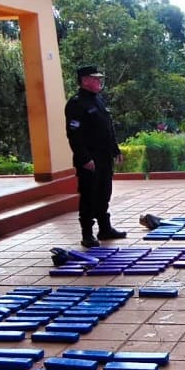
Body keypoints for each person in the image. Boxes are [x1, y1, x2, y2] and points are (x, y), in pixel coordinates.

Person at [65, 65, 127, 248]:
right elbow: (74, 134)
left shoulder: (97, 100)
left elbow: (107, 128)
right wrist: (84, 158)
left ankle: (105, 228)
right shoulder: (76, 104)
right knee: (89, 195)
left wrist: (115, 150)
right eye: (95, 78)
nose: (99, 81)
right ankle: (87, 234)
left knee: (104, 193)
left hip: (104, 156)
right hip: (90, 159)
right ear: (85, 80)